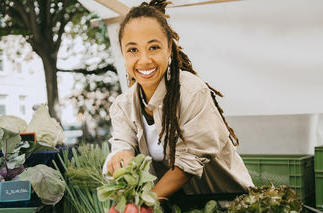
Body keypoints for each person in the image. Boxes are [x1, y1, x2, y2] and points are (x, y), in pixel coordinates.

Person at [103, 0, 254, 200]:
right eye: (133, 50)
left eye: (154, 47)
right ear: (123, 54)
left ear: (169, 49)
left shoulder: (191, 92)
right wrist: (122, 158)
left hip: (227, 202)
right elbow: (122, 144)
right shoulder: (123, 106)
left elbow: (189, 163)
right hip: (179, 206)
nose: (144, 59)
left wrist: (147, 203)